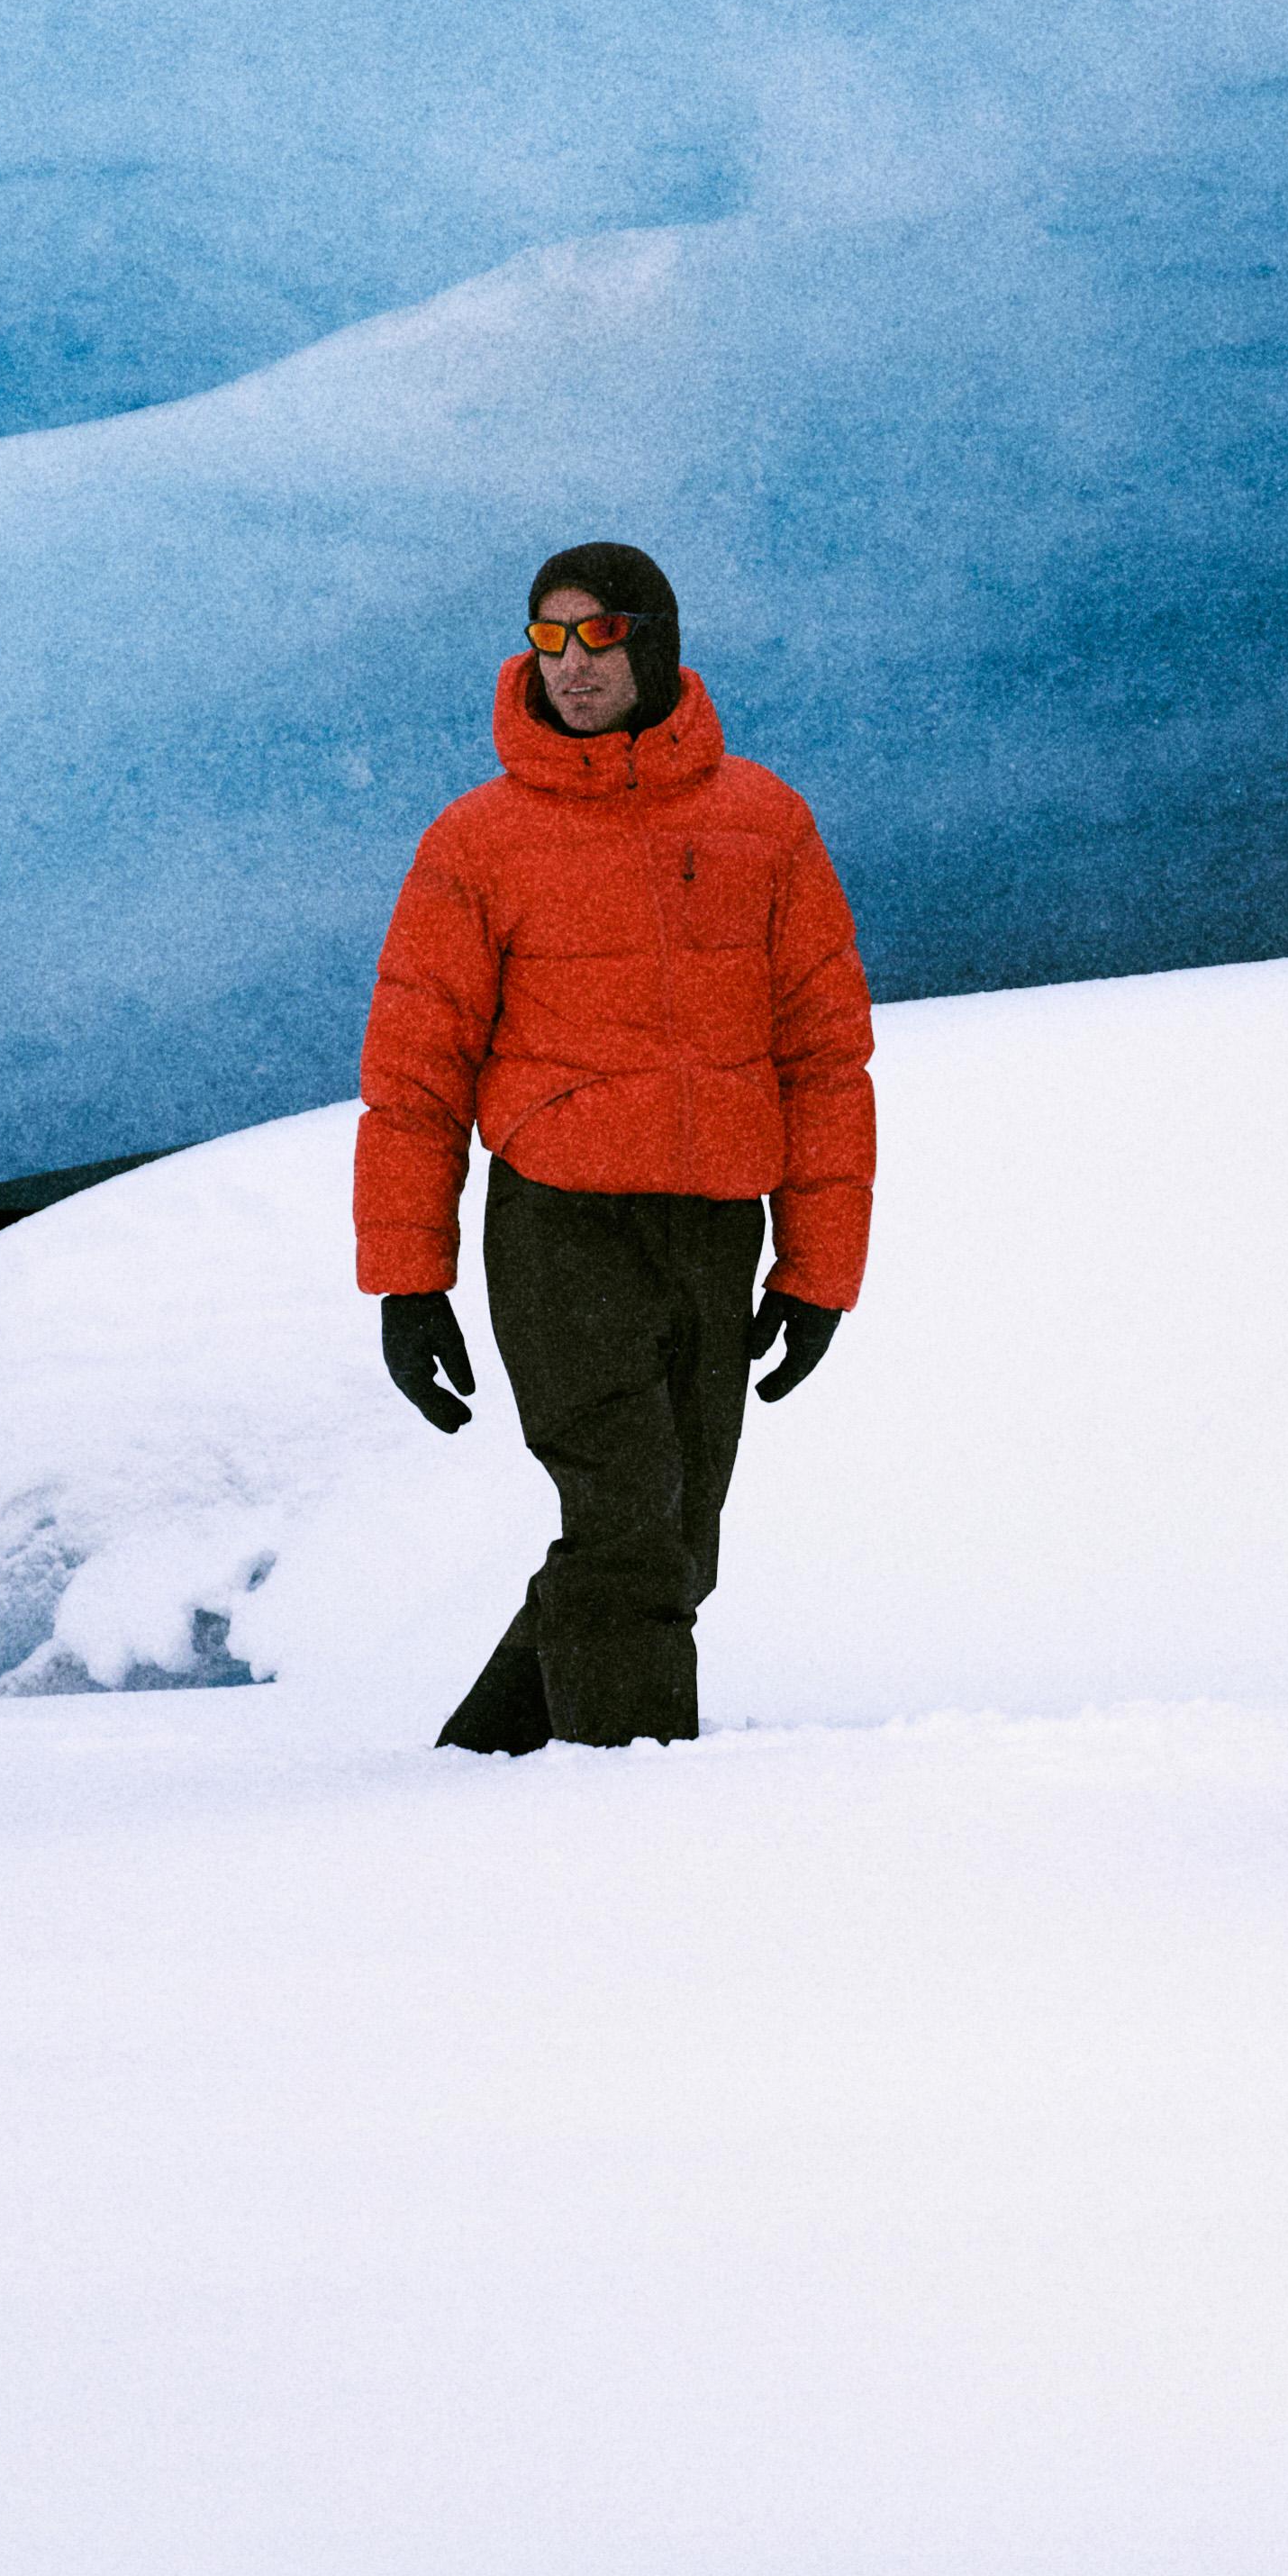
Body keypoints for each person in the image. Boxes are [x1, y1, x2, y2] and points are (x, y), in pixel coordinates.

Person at [356, 539, 875, 1753]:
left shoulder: (764, 822)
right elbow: (413, 1079)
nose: (571, 666)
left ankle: (484, 1765)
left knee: (670, 1543)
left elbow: (823, 1060)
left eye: (596, 637)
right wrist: (407, 1279)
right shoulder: (478, 840)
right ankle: (626, 1817)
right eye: (548, 639)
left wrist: (817, 1271)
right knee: (630, 1517)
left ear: (654, 644)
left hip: (711, 1223)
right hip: (560, 1221)